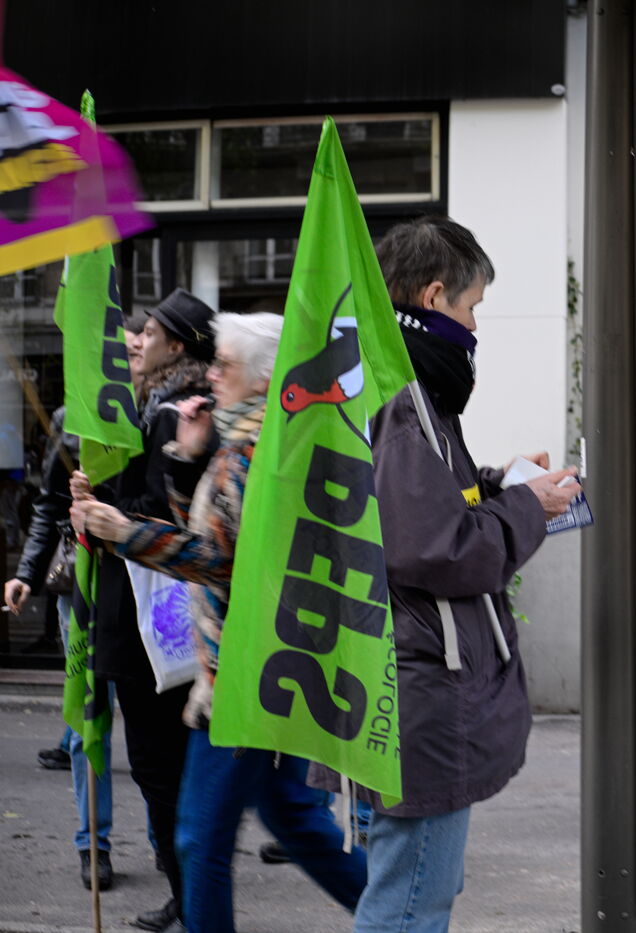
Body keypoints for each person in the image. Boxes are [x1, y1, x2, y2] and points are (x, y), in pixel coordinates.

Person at [310, 216, 578, 933]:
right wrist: (528, 507)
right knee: (410, 901)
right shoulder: (404, 400)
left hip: (398, 677)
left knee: (414, 886)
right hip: (418, 688)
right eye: (472, 306)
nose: (476, 326)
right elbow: (437, 548)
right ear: (433, 296)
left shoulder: (380, 382)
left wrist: (497, 485)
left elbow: (415, 508)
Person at [73, 312, 368, 933]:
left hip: (241, 672)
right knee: (295, 819)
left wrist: (126, 533)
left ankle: (398, 914)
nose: (211, 374)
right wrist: (187, 459)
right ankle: (397, 916)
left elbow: (218, 559)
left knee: (200, 839)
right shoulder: (258, 439)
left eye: (225, 365)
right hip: (271, 662)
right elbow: (218, 536)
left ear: (262, 379)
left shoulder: (253, 452)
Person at [71, 287, 215, 932]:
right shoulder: (156, 409)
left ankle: (193, 900)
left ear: (176, 346)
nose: (135, 341)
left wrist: (103, 511)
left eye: (149, 333)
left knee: (162, 770)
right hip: (157, 619)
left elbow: (161, 519)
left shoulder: (170, 414)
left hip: (154, 624)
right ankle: (191, 896)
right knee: (171, 771)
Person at [4, 408, 117, 890]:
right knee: (86, 722)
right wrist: (26, 573)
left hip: (145, 583)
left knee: (153, 729)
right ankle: (93, 843)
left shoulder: (161, 410)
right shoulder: (72, 417)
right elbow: (49, 505)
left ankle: (166, 846)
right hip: (83, 582)